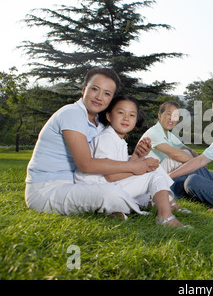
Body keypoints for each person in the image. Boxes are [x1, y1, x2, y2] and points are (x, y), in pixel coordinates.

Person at [25, 68, 159, 219]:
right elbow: (86, 165)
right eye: (95, 89)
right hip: (46, 189)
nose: (100, 97)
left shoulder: (98, 125)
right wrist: (133, 166)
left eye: (107, 93)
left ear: (111, 99)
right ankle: (118, 206)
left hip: (77, 185)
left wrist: (136, 156)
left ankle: (117, 206)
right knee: (111, 193)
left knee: (140, 183)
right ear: (84, 90)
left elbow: (110, 163)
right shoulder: (72, 113)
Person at [74, 95, 189, 227]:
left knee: (149, 190)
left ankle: (167, 203)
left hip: (109, 184)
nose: (126, 118)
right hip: (99, 189)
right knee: (154, 175)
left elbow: (122, 167)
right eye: (121, 113)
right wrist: (143, 167)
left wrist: (137, 156)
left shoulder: (118, 139)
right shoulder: (106, 138)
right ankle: (166, 217)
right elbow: (111, 176)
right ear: (109, 116)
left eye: (132, 115)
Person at [139, 101, 198, 173]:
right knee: (175, 160)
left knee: (187, 153)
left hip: (159, 172)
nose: (171, 118)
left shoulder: (169, 135)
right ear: (160, 115)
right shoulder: (153, 133)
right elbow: (176, 155)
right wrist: (198, 164)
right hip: (148, 174)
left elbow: (189, 150)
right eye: (169, 114)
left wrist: (195, 156)